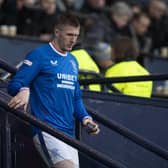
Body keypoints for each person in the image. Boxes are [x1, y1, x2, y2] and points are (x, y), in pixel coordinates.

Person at [7, 12, 100, 168]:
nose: (73, 39)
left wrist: (85, 118)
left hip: (69, 133)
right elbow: (14, 83)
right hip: (47, 129)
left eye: (76, 35)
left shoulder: (72, 60)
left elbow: (75, 97)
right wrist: (24, 89)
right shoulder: (39, 55)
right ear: (57, 32)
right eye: (69, 34)